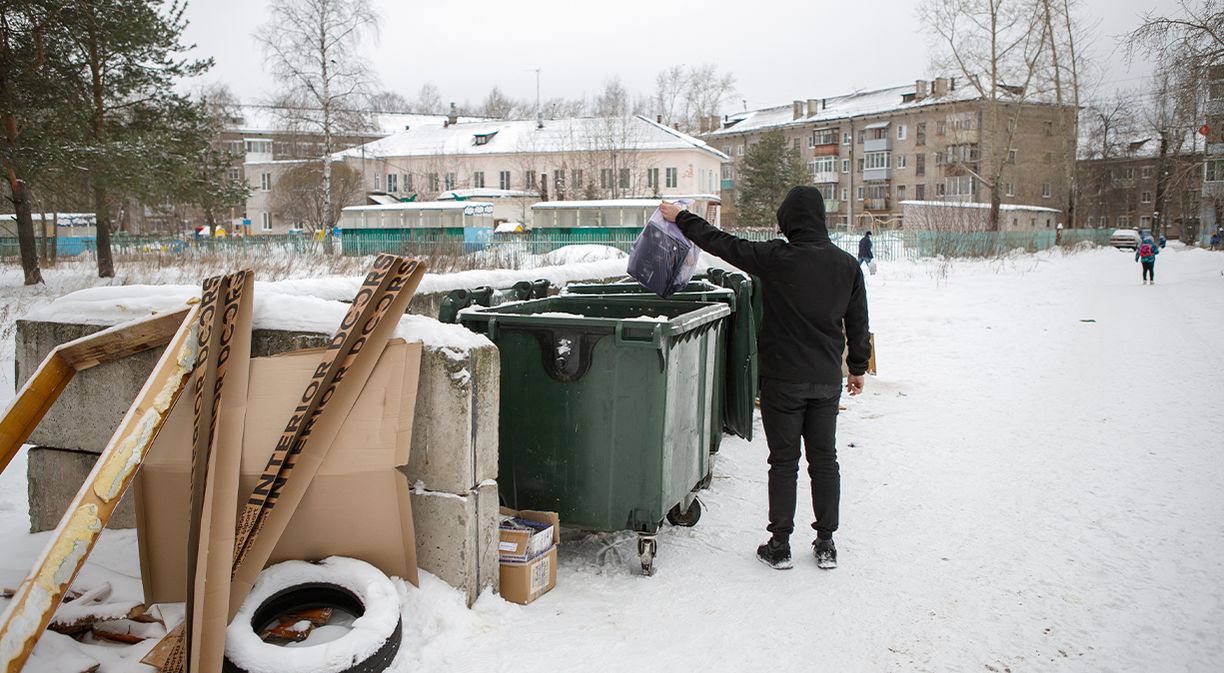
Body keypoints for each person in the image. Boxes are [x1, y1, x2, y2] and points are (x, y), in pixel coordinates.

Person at [659, 186, 870, 571]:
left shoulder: (777, 257)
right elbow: (858, 322)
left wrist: (682, 218)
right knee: (825, 461)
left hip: (782, 380)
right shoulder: (846, 265)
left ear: (788, 219)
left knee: (784, 462)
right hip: (825, 380)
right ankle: (826, 544)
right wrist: (856, 367)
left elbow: (724, 244)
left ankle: (780, 544)